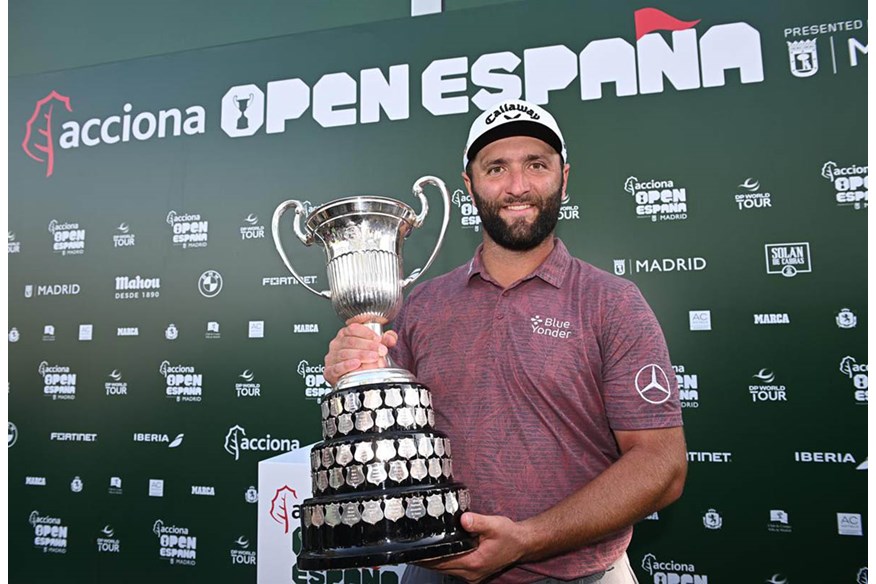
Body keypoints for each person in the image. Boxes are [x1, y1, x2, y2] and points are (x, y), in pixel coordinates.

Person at [323, 99, 687, 584]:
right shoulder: (419, 305)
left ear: (564, 175)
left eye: (536, 164)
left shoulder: (612, 302)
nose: (518, 186)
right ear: (470, 184)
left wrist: (530, 537)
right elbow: (383, 443)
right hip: (436, 573)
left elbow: (662, 465)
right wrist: (355, 372)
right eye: (497, 168)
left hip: (583, 575)